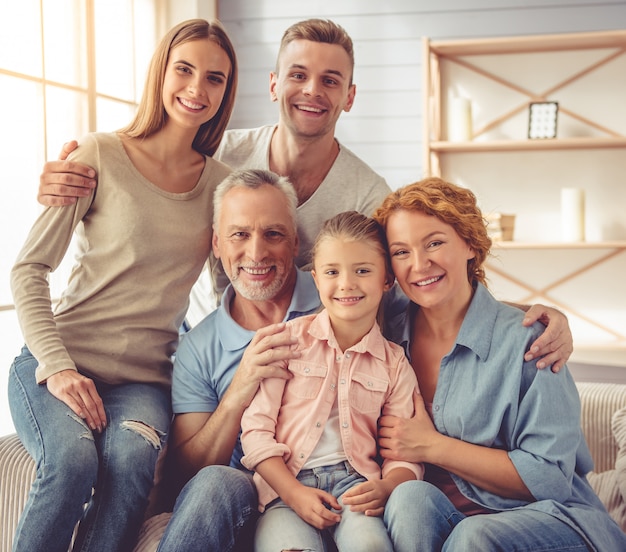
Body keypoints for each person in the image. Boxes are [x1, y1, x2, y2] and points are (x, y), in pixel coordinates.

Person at [34, 18, 573, 372]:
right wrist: (76, 170)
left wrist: (524, 315)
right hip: (207, 354)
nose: (313, 91)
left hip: (311, 369)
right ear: (273, 85)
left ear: (350, 95)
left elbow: (416, 281)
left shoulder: (367, 196)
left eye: (331, 80)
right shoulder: (219, 158)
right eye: (298, 75)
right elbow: (146, 182)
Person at [8, 19, 237, 552]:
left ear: (228, 91)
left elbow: (234, 293)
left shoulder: (222, 184)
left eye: (215, 79)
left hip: (143, 384)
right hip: (59, 360)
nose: (196, 90)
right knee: (71, 461)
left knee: (132, 459)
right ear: (161, 72)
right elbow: (27, 269)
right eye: (184, 70)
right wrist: (59, 367)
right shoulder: (97, 154)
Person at [371, 177, 626, 551]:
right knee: (409, 499)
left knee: (475, 536)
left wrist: (430, 446)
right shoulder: (386, 336)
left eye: (435, 243)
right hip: (448, 520)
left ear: (470, 244)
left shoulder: (530, 341)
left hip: (550, 520)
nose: (419, 265)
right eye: (401, 252)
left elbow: (549, 477)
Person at [155, 169, 321, 551]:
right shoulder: (198, 347)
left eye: (273, 234)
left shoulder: (339, 302)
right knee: (217, 481)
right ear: (216, 243)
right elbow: (189, 474)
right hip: (246, 499)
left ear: (295, 242)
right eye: (240, 234)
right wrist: (240, 388)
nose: (256, 253)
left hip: (334, 484)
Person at [240, 211, 423, 552]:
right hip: (285, 488)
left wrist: (388, 486)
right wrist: (293, 494)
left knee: (371, 547)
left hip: (357, 489)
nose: (347, 284)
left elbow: (405, 453)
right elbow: (255, 432)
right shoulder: (287, 341)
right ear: (316, 279)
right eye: (332, 272)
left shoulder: (394, 363)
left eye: (363, 271)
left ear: (387, 280)